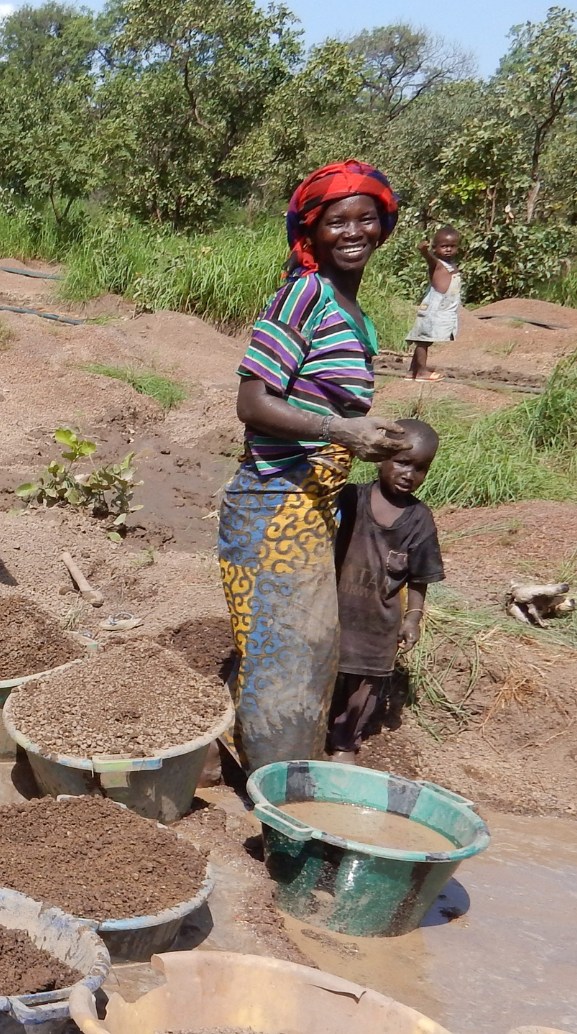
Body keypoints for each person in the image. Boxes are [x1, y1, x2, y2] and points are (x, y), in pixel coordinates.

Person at [221, 160, 412, 770]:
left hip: (312, 506)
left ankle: (273, 779)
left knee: (305, 654)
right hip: (272, 502)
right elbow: (252, 402)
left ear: (383, 226)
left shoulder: (355, 312)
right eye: (336, 221)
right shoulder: (303, 294)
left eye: (366, 218)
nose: (353, 231)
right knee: (287, 658)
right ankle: (276, 808)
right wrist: (340, 430)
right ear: (311, 231)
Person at [328, 419, 444, 762]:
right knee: (323, 676)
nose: (410, 473)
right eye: (403, 462)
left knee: (363, 690)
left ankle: (345, 743)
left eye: (421, 468)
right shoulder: (350, 498)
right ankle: (314, 732)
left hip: (377, 627)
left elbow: (419, 577)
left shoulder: (420, 519)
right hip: (334, 615)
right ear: (380, 458)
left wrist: (413, 619)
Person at [405, 227, 462, 382]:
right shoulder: (437, 264)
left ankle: (413, 370)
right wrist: (424, 251)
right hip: (433, 309)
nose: (448, 249)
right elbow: (429, 258)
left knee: (425, 340)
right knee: (423, 339)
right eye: (444, 246)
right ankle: (422, 372)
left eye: (452, 246)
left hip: (443, 310)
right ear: (435, 248)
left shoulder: (452, 266)